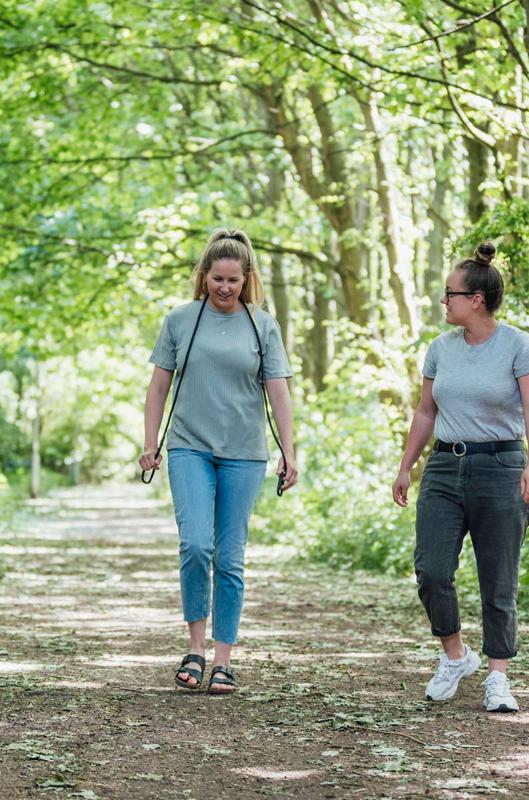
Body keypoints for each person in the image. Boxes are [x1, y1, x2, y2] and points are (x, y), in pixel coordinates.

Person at [139, 229, 298, 695]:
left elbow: (279, 393)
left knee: (230, 557)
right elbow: (157, 388)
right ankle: (194, 649)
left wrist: (291, 452)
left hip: (245, 454)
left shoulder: (262, 325)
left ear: (247, 278)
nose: (224, 287)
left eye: (233, 279)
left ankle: (224, 658)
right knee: (195, 545)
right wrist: (150, 442)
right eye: (217, 279)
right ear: (204, 276)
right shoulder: (181, 320)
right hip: (189, 446)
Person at [391, 242, 529, 713]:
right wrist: (405, 465)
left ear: (475, 300)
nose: (445, 302)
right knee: (431, 570)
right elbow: (425, 412)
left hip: (501, 468)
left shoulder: (519, 346)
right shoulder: (440, 349)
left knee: (498, 580)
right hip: (443, 467)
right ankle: (455, 656)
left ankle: (498, 676)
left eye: (450, 295)